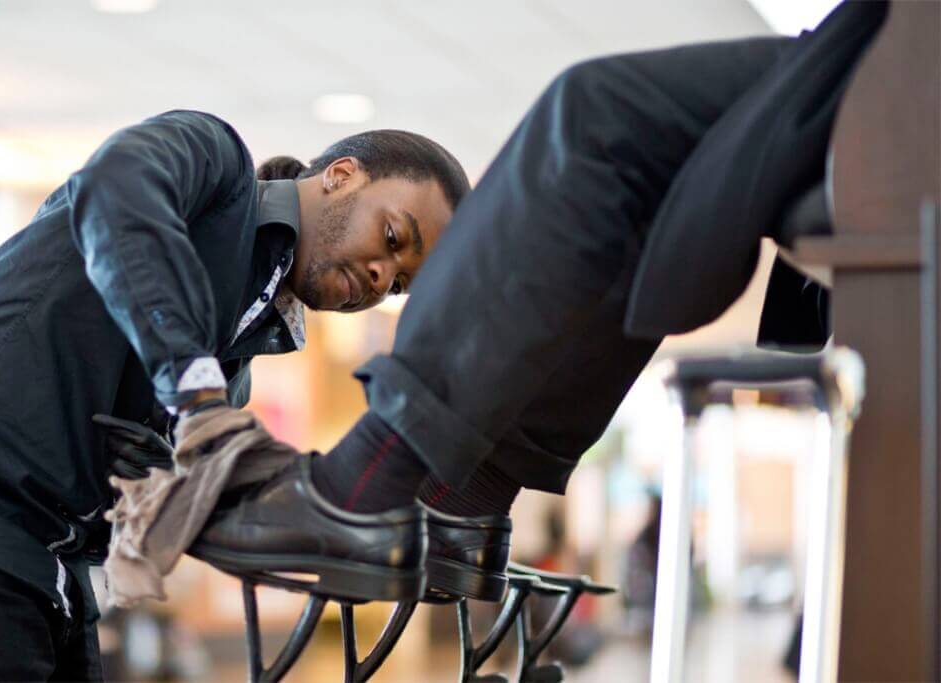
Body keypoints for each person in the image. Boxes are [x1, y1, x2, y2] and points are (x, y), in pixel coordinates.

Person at [192, 1, 888, 606]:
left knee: (593, 121)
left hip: (904, 70)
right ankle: (463, 502)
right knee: (639, 185)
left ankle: (364, 483)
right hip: (896, 62)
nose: (381, 276)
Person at [0, 110, 469, 681]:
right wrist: (193, 392)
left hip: (46, 570)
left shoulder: (239, 359)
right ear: (341, 175)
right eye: (392, 238)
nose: (383, 278)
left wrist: (153, 492)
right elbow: (114, 189)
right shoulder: (213, 163)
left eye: (400, 283)